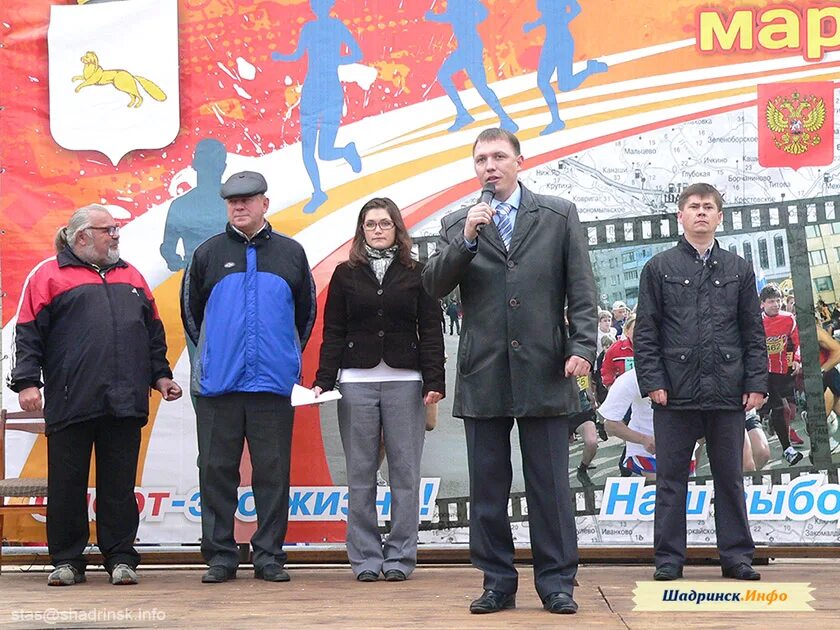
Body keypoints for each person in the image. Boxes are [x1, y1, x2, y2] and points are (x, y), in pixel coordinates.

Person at [422, 128, 597, 615]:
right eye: (481, 159)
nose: (490, 166)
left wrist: (582, 345)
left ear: (520, 161)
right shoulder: (459, 221)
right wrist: (465, 240)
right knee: (488, 486)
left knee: (550, 485)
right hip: (484, 372)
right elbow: (434, 284)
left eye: (499, 157)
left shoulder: (558, 215)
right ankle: (497, 580)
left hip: (545, 367)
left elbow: (581, 288)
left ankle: (557, 581)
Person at [9, 204, 182, 587]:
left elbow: (152, 334)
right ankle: (67, 561)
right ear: (81, 236)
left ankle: (121, 558)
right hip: (72, 398)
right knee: (67, 483)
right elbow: (27, 334)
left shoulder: (132, 276)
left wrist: (161, 376)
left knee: (119, 485)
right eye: (108, 230)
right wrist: (27, 382)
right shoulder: (47, 275)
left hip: (125, 400)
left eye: (116, 229)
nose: (116, 235)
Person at [181, 171, 316, 584]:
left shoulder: (291, 253)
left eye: (247, 200)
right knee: (216, 470)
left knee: (272, 473)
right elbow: (191, 316)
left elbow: (304, 316)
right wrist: (216, 357)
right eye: (232, 202)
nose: (239, 207)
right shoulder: (207, 253)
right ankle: (221, 555)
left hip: (272, 387)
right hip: (218, 386)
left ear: (264, 204)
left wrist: (283, 358)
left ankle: (269, 555)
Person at [634, 182, 767, 582]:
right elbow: (646, 332)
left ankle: (737, 557)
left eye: (709, 207)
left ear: (720, 216)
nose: (702, 213)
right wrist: (653, 381)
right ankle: (669, 560)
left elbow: (752, 330)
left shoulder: (739, 269)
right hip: (674, 394)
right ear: (681, 215)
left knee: (730, 479)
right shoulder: (658, 268)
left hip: (728, 392)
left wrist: (756, 382)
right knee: (671, 481)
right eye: (694, 207)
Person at [312, 197, 445, 582]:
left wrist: (434, 380)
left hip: (406, 382)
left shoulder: (418, 272)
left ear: (397, 229)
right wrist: (324, 377)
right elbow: (333, 330)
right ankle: (366, 558)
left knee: (406, 473)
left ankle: (401, 558)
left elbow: (431, 329)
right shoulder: (344, 275)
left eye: (385, 223)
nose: (378, 230)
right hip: (356, 383)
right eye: (370, 224)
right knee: (360, 473)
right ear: (361, 231)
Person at [758, 284, 803, 464]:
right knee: (781, 409)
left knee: (790, 412)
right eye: (771, 302)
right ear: (762, 304)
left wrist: (797, 359)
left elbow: (798, 342)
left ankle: (771, 419)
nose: (776, 304)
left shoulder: (789, 319)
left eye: (778, 301)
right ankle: (787, 449)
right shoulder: (755, 322)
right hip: (765, 372)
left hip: (785, 371)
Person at [600, 312, 635, 389]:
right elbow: (607, 369)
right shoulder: (615, 349)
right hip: (624, 392)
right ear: (626, 331)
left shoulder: (653, 348)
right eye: (635, 328)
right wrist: (611, 387)